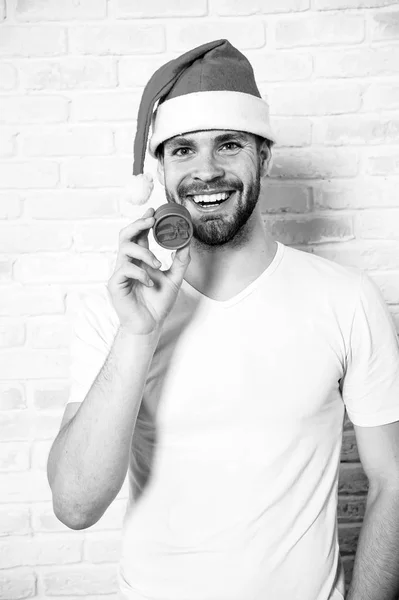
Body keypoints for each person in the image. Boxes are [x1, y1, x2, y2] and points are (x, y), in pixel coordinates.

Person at [47, 40, 399, 600]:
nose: (206, 171)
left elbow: (392, 483)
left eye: (228, 145)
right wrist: (139, 333)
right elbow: (74, 505)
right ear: (157, 169)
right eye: (183, 150)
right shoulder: (112, 314)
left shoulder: (347, 299)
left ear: (263, 156)